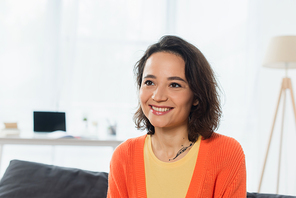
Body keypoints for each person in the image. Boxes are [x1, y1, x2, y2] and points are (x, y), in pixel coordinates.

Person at [107, 35, 246, 198]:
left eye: (175, 85)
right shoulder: (124, 156)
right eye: (149, 82)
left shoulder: (226, 152)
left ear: (196, 96)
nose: (158, 96)